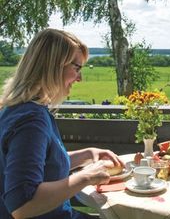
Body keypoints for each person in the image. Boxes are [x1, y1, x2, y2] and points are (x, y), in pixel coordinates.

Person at [0, 28, 124, 219]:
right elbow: (22, 205)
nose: (80, 78)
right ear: (53, 66)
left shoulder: (17, 108)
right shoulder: (31, 120)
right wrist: (87, 176)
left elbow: (40, 163)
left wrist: (87, 154)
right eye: (77, 68)